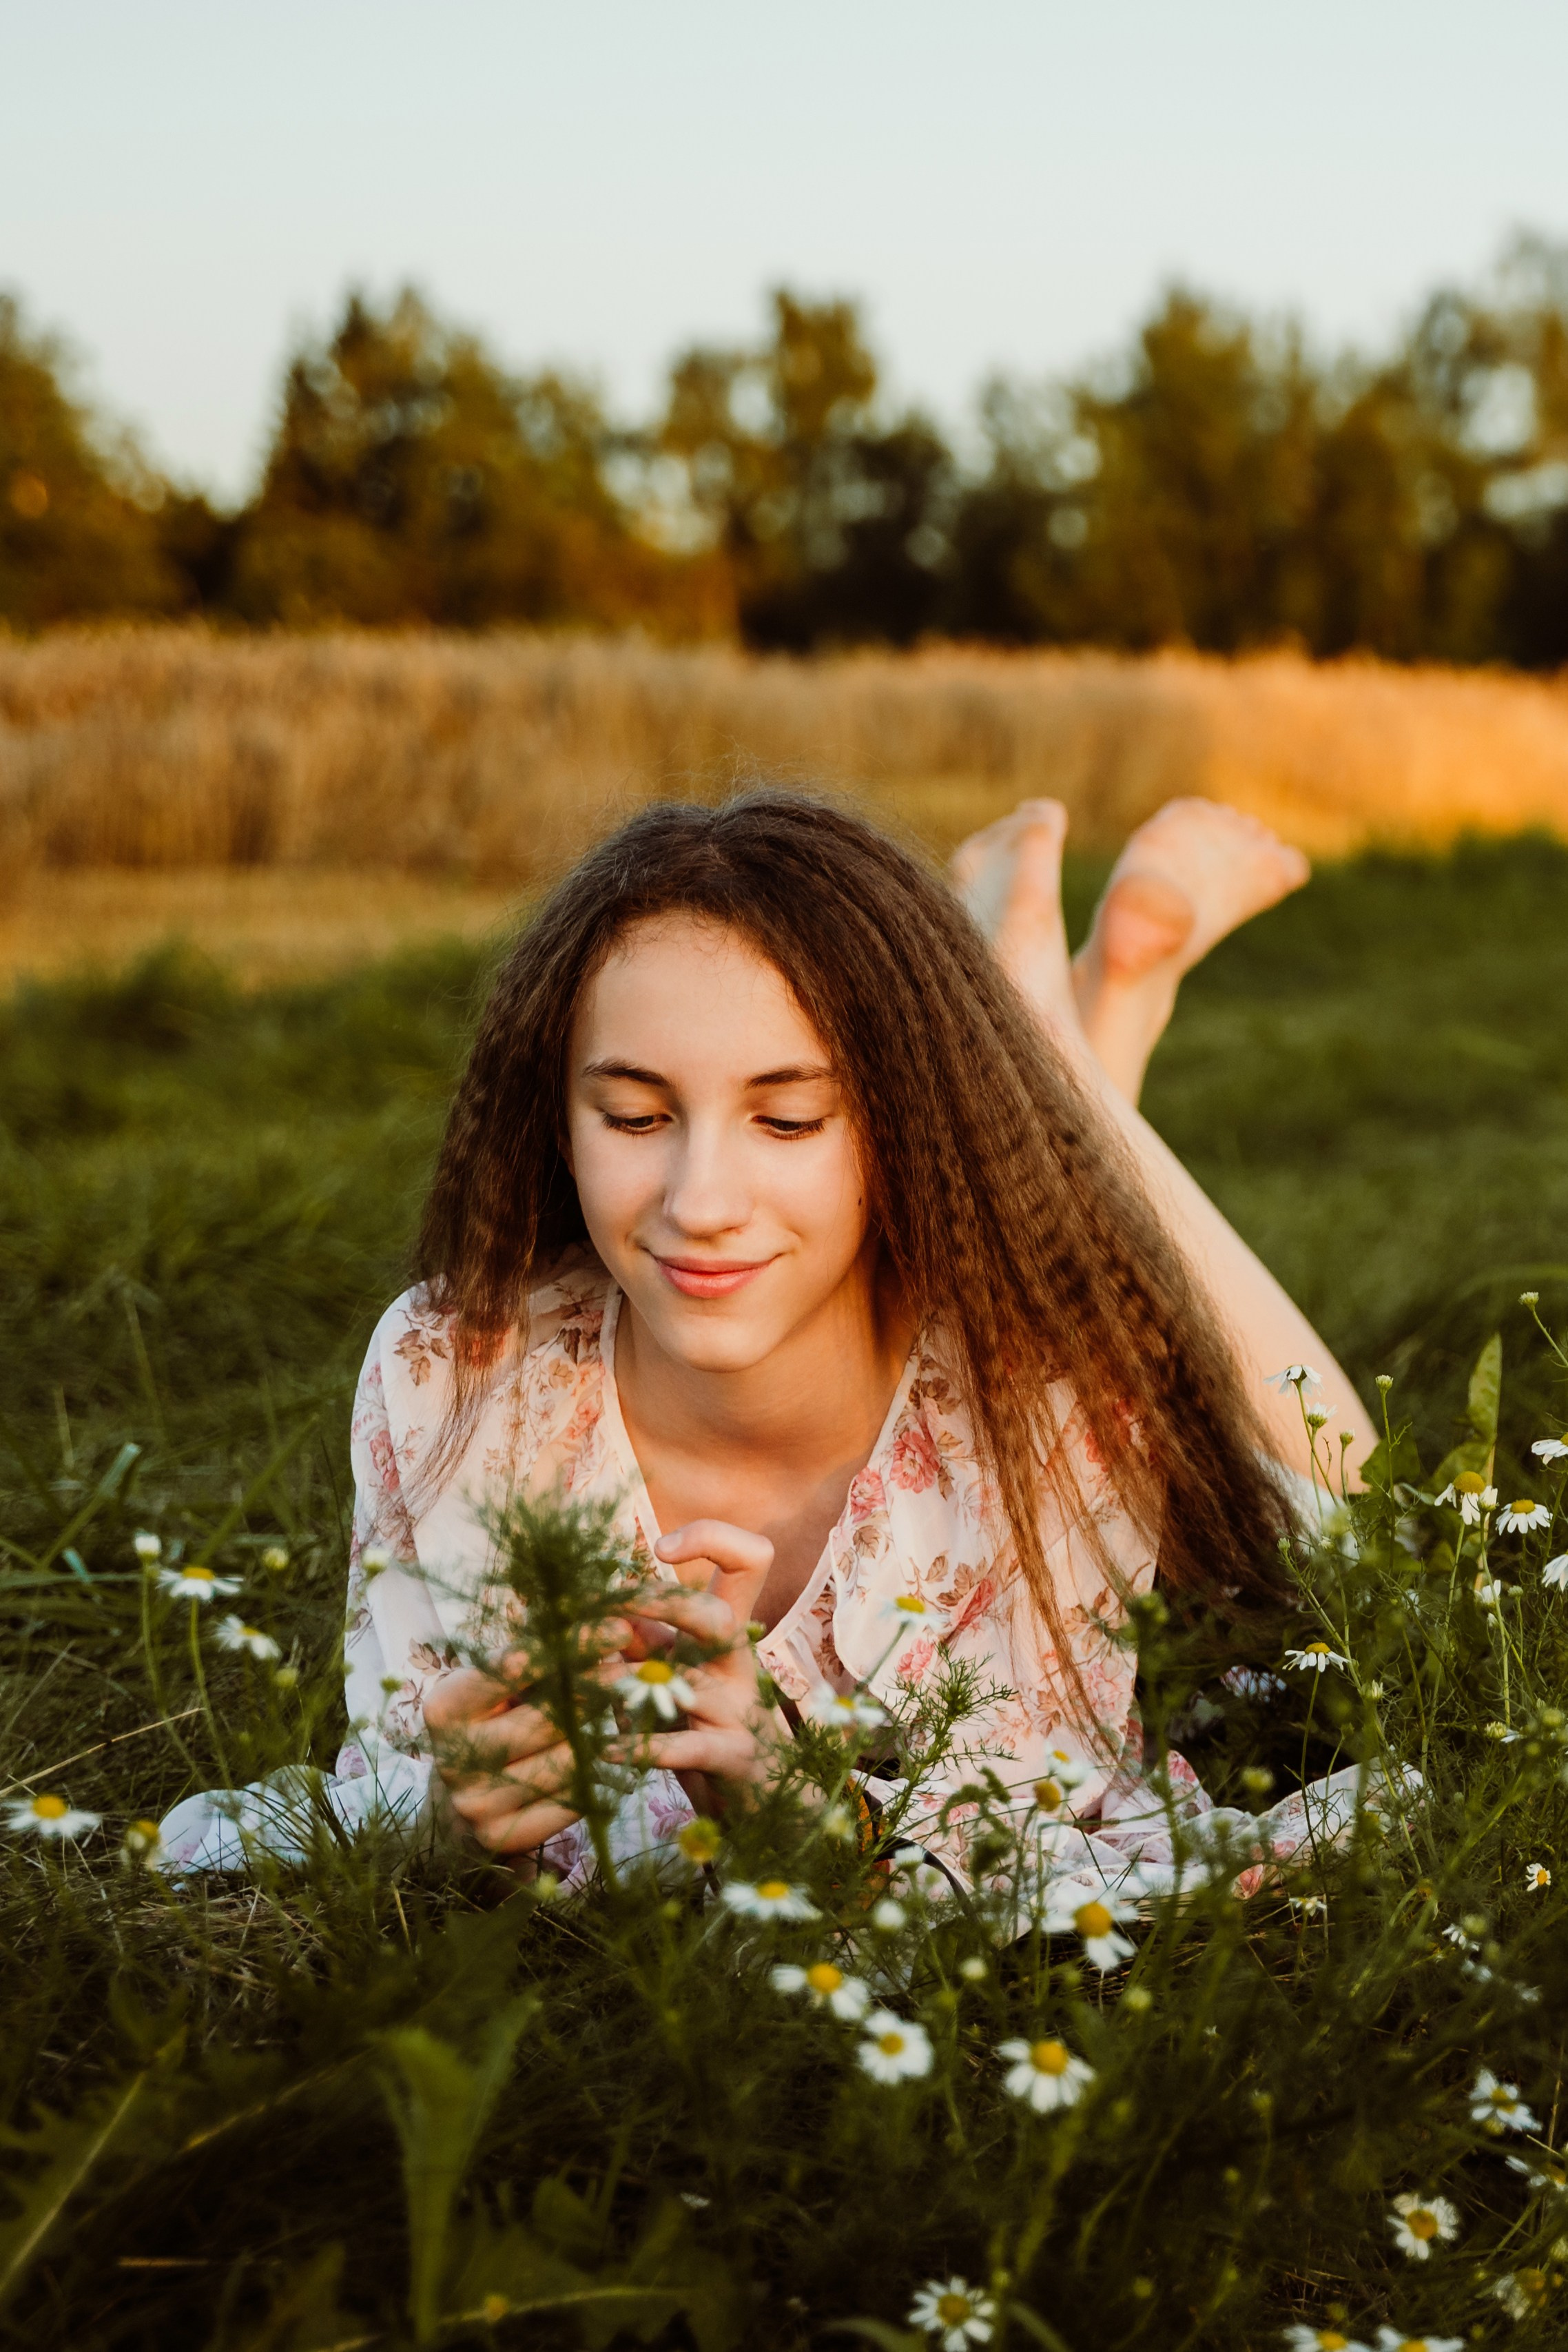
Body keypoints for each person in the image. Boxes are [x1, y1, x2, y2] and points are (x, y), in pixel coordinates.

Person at [159, 792, 1379, 1888]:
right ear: (559, 1113)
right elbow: (392, 1759)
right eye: (636, 1114)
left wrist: (800, 1811)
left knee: (1348, 1501)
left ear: (899, 1123)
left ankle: (1060, 1048)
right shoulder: (453, 1373)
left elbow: (1036, 1820)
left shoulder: (1043, 1387)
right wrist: (452, 1811)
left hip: (1063, 1397)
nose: (700, 1200)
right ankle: (1055, 1021)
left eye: (787, 1120)